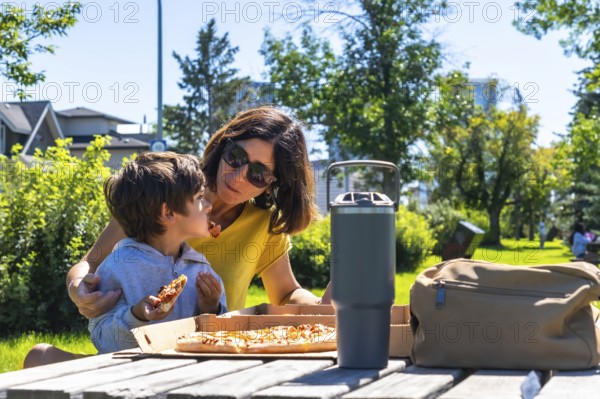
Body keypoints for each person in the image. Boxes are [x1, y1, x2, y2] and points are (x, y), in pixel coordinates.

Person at [25, 152, 228, 364]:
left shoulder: (201, 267)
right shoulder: (119, 266)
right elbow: (104, 341)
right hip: (125, 371)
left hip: (184, 371)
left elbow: (219, 339)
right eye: (198, 198)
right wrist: (136, 316)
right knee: (40, 355)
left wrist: (211, 308)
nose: (208, 205)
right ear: (168, 213)